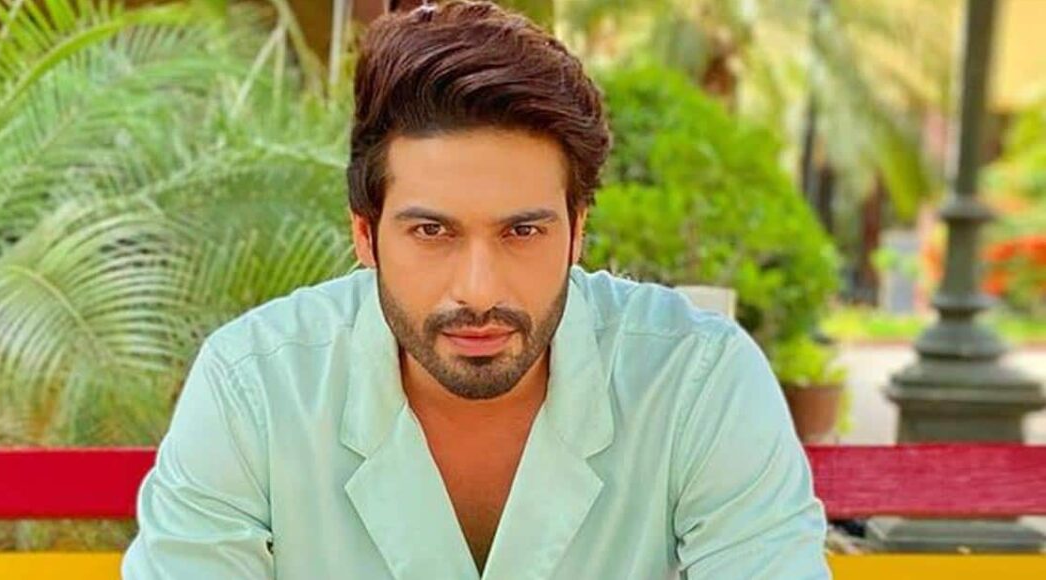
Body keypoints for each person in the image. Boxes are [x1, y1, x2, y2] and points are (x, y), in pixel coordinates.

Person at [121, 1, 829, 578]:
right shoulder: (255, 389)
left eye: (523, 231)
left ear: (577, 232)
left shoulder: (696, 382)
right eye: (432, 232)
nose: (479, 289)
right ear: (366, 235)